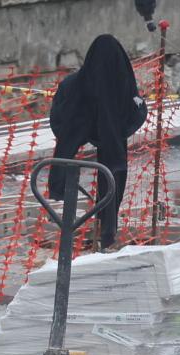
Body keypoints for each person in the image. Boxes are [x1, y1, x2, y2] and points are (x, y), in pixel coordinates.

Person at [48, 34, 147, 252]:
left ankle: (66, 211)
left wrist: (77, 135)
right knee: (112, 173)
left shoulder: (74, 84)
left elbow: (58, 117)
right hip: (112, 146)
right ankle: (107, 232)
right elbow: (136, 112)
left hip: (77, 137)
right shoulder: (122, 85)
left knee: (75, 166)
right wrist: (114, 132)